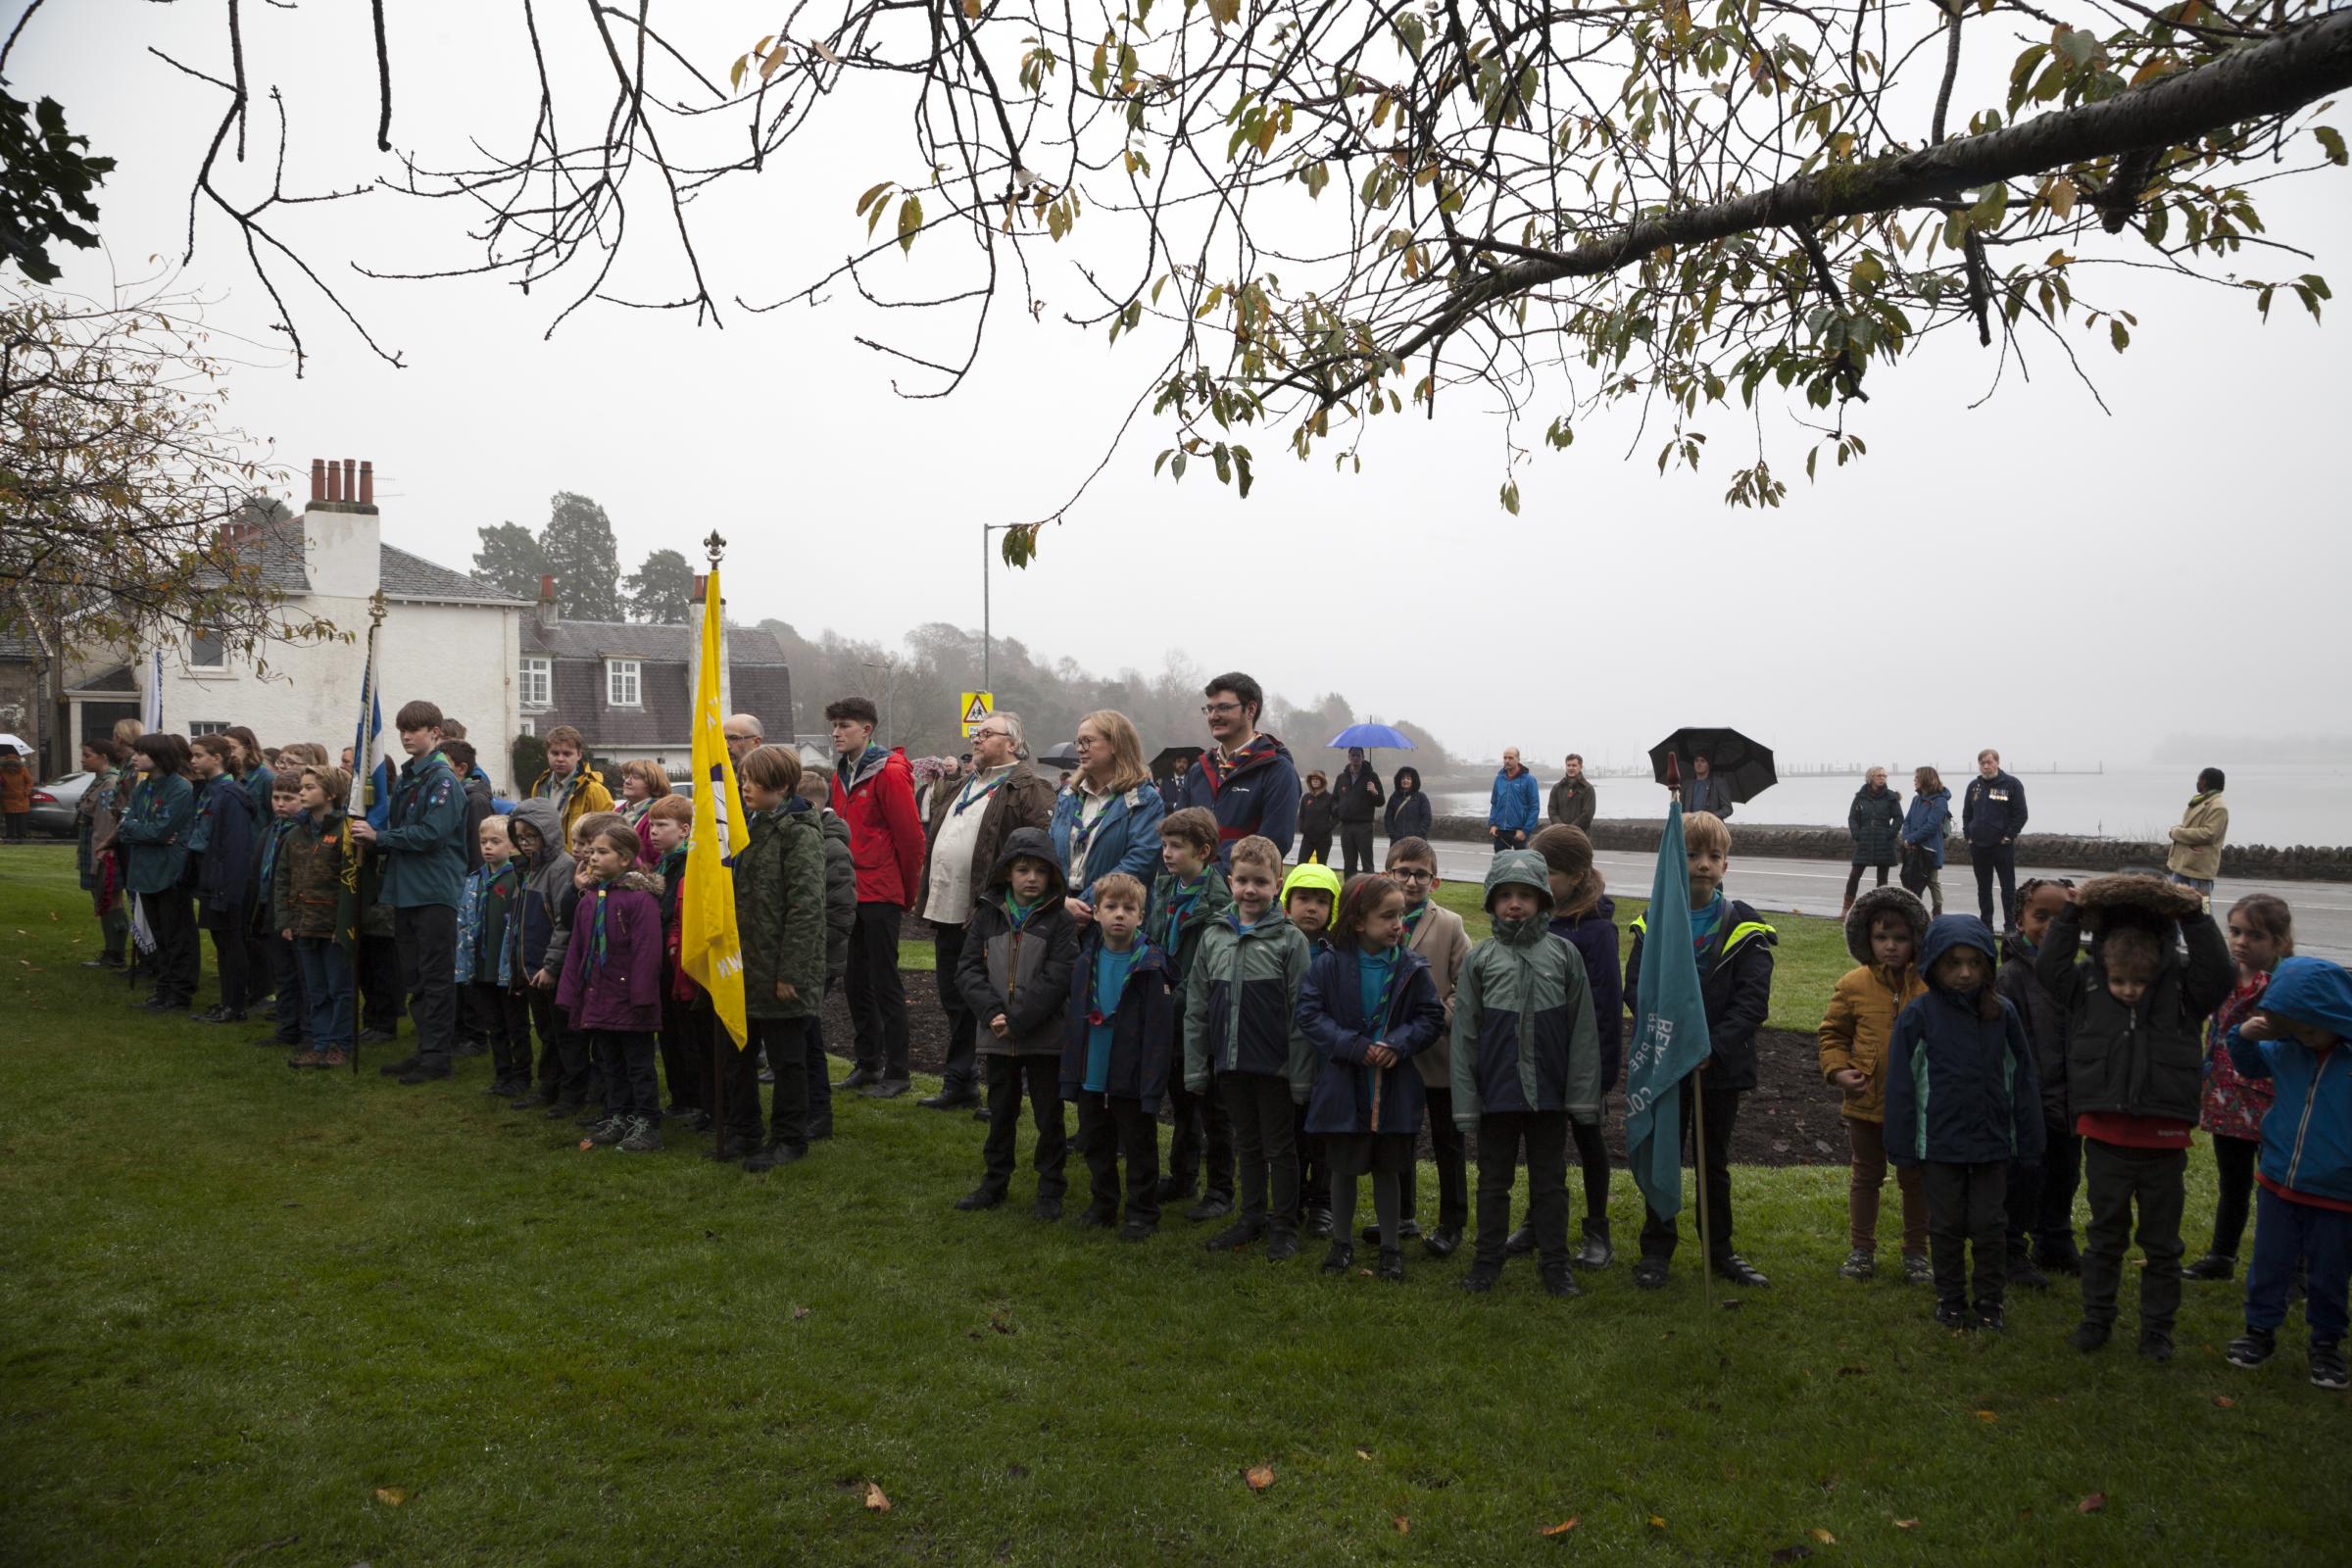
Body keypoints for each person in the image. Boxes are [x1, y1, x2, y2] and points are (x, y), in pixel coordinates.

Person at [2038, 875, 2232, 1359]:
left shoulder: (2184, 994)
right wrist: (2072, 915)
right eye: (2121, 981)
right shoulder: (2086, 986)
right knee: (2104, 1238)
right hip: (2105, 1138)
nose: (2129, 991)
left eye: (2140, 983)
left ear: (2161, 966)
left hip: (2163, 1141)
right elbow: (2049, 967)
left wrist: (2193, 915)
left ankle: (2157, 1331)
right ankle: (2096, 1320)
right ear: (2103, 964)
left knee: (2162, 1244)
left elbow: (2220, 973)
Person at [1626, 810, 1777, 1290]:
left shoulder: (1745, 925)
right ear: (1673, 860)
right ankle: (1656, 1250)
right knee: (1663, 1152)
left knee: (1713, 1162)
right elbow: (1637, 989)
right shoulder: (1653, 921)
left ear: (1726, 866)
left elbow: (1752, 1001)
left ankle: (1720, 1250)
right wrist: (1676, 1040)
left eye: (1714, 856)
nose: (1703, 864)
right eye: (1691, 854)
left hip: (1719, 1067)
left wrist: (1711, 1046)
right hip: (1667, 1062)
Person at [1884, 915, 2045, 1332]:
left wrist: (2029, 1139)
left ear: (1987, 965)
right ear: (1934, 965)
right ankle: (1951, 1298)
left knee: (1990, 1224)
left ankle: (1991, 1300)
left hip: (1993, 1143)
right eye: (1953, 963)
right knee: (1947, 1225)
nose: (1965, 973)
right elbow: (1902, 1085)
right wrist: (1901, 1147)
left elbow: (2021, 1078)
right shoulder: (1918, 1016)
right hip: (1940, 1143)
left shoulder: (2001, 1013)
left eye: (1974, 963)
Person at [1451, 851, 1602, 1298]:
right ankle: (1487, 1260)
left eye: (1525, 895)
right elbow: (1464, 1037)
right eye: (1505, 895)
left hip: (1549, 1094)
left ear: (1542, 900)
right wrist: (1466, 1102)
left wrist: (1581, 1096)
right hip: (1496, 1091)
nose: (1515, 903)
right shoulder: (1479, 961)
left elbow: (1583, 1031)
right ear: (1491, 902)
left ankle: (1555, 1263)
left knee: (1550, 1181)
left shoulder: (1564, 955)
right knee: (1493, 1180)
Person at [1300, 873, 1446, 1282]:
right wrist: (1353, 1046)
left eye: (1400, 915)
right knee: (1344, 1169)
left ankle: (1390, 1247)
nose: (1398, 924)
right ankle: (1340, 1243)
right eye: (1388, 916)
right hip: (1346, 1085)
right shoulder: (1329, 965)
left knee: (1388, 1169)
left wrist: (1398, 1043)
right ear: (1359, 921)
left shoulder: (1412, 967)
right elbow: (1310, 1015)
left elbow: (1430, 1017)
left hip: (1393, 1088)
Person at [2220, 956, 2352, 1391]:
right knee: (2269, 1262)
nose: (2307, 1037)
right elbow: (2250, 1065)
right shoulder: (2288, 1047)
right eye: (2296, 1027)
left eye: (2315, 1027)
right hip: (2278, 1182)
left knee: (2330, 1271)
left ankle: (2327, 1344)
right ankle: (2259, 1331)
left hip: (2338, 1192)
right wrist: (2243, 1035)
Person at [914, 710, 1056, 1109]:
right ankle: (960, 1080)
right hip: (948, 911)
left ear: (1011, 743)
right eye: (976, 734)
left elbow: (1039, 849)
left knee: (995, 1000)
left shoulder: (1029, 787)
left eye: (986, 733)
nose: (976, 739)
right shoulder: (962, 784)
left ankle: (1001, 1094)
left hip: (993, 914)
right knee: (954, 996)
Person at [1183, 833, 1312, 1260]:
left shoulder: (1290, 941)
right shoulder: (1215, 935)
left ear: (1278, 883)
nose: (1250, 890)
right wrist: (1198, 1065)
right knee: (1247, 1144)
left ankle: (1284, 1223)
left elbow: (1301, 1012)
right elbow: (1198, 1004)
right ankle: (1252, 1215)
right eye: (1242, 880)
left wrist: (1299, 1072)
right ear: (1230, 879)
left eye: (1260, 881)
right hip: (1230, 1062)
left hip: (1274, 1066)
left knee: (1280, 1146)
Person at [953, 827, 1080, 1217]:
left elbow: (1059, 977)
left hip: (1043, 1037)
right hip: (997, 1035)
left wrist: (1019, 1019)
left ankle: (1050, 1188)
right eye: (1023, 869)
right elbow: (968, 969)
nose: (1031, 878)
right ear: (1007, 872)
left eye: (1040, 871)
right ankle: (994, 1182)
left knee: (1048, 1115)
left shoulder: (1059, 921)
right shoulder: (987, 915)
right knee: (1001, 1111)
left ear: (1051, 876)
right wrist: (992, 1013)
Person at [1516, 825, 1624, 1270]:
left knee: (1588, 1140)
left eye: (1550, 874)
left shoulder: (1595, 932)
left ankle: (1597, 1228)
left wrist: (1599, 1073)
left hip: (1582, 1061)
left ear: (1578, 875)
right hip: (1540, 1056)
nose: (1541, 884)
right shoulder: (1532, 922)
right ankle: (1537, 1219)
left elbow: (1605, 1008)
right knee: (1542, 1145)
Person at [352, 701, 470, 1087]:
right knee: (415, 976)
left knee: (435, 976)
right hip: (406, 890)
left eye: (415, 730)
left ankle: (438, 1055)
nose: (406, 736)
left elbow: (431, 834)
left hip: (433, 890)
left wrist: (380, 837)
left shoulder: (442, 780)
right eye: (402, 729)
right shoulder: (409, 777)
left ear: (436, 734)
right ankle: (425, 1048)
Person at [2186, 894, 2294, 1283]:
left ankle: (2292, 1265)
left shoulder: (2286, 981)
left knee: (2279, 1187)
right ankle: (2222, 1256)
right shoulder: (2225, 976)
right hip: (2226, 1095)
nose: (2242, 941)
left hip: (2272, 1097)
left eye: (2256, 935)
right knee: (2232, 1183)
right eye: (2235, 931)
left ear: (2279, 942)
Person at [729, 744, 827, 1172]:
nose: (745, 786)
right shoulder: (745, 825)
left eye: (753, 780)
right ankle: (744, 1131)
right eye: (744, 778)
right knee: (739, 1054)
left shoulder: (798, 831)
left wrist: (791, 972)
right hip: (743, 965)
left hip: (780, 969)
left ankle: (789, 1136)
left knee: (788, 1060)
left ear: (781, 785)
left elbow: (806, 906)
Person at [1060, 870, 1173, 1240]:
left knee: (1139, 1146)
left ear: (1142, 916)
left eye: (1129, 908)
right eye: (1111, 907)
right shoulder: (1084, 963)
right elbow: (1074, 1020)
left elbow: (1158, 1032)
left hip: (1132, 1074)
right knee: (1096, 1141)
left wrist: (1153, 1085)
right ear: (1096, 913)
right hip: (1093, 1070)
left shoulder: (1151, 967)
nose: (1120, 914)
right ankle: (1103, 1203)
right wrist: (1070, 1074)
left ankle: (1142, 1212)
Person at [825, 697, 926, 1098]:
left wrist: (906, 892)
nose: (836, 732)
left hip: (881, 892)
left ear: (867, 729)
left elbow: (910, 837)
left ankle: (898, 1072)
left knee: (885, 982)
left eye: (844, 725)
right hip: (850, 892)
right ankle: (867, 1063)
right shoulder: (842, 772)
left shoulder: (889, 771)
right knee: (854, 983)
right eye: (834, 725)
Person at [1377, 839, 1470, 1256]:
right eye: (1403, 872)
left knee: (1448, 1140)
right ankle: (1401, 1214)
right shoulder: (1375, 923)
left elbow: (1464, 987)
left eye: (1420, 874)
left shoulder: (1449, 924)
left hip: (1440, 1051)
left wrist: (1435, 1022)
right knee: (1400, 1136)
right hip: (1393, 1053)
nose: (1411, 881)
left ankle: (1452, 1222)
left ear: (1435, 880)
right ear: (1387, 874)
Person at [559, 821, 668, 1152]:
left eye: (601, 852)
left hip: (630, 999)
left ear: (624, 859)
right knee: (609, 1061)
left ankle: (646, 1121)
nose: (592, 858)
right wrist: (571, 992)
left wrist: (642, 996)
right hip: (598, 995)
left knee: (638, 1063)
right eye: (591, 851)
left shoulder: (639, 901)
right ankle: (617, 1113)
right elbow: (577, 948)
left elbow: (647, 952)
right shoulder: (591, 899)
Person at [1151, 807, 1236, 1222]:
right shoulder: (1165, 887)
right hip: (1166, 1012)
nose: (1167, 853)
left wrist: (1174, 999)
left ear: (1204, 851)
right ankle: (1182, 1175)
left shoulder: (1218, 901)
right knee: (1180, 1101)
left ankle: (1221, 1188)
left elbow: (1211, 967)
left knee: (1212, 1106)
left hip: (1200, 1017)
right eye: (1165, 844)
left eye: (1177, 847)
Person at [1997, 878, 2081, 1279]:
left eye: (2063, 918)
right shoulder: (2011, 976)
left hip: (2072, 1095)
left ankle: (2055, 1241)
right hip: (2028, 1095)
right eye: (2041, 916)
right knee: (2024, 1176)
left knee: (2066, 1171)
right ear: (2019, 920)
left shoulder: (2078, 975)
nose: (2050, 926)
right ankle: (2011, 1247)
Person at [1052, 710, 1169, 925]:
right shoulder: (1068, 796)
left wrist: (1089, 905)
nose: (1079, 748)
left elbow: (1139, 863)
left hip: (1116, 921)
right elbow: (1049, 853)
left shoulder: (1144, 799)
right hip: (1063, 915)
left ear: (1115, 744)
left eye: (1087, 741)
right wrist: (1060, 902)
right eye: (1077, 741)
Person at [503, 800, 581, 1116]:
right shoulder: (528, 869)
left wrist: (551, 966)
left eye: (531, 836)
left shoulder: (562, 868)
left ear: (548, 833)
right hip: (533, 970)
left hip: (553, 970)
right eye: (519, 837)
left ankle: (572, 1092)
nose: (524, 843)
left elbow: (563, 923)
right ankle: (549, 1085)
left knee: (566, 1035)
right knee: (547, 1033)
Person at [275, 764, 355, 1067]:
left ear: (331, 794)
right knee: (316, 988)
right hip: (303, 923)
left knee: (339, 988)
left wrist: (344, 923)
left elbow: (352, 881)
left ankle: (340, 1043)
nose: (302, 793)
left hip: (332, 924)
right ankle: (320, 1042)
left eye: (309, 787)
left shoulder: (345, 830)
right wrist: (285, 920)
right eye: (302, 787)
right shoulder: (296, 833)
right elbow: (283, 877)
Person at [791, 767, 856, 1141]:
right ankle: (809, 1109)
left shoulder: (831, 848)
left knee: (807, 1037)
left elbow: (840, 911)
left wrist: (812, 954)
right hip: (805, 955)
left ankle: (818, 1111)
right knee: (801, 1035)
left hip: (816, 959)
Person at [1178, 671, 1300, 863]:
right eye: (1209, 709)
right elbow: (1177, 834)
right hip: (1192, 889)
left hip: (1244, 890)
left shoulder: (1278, 771)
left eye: (1223, 708)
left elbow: (1273, 844)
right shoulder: (1198, 771)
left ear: (1251, 709)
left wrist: (1210, 879)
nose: (1213, 716)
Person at [1281, 858, 1342, 1241]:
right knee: (1288, 1133)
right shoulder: (1277, 944)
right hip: (1284, 1058)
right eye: (1303, 898)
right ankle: (1292, 1197)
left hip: (1324, 1063)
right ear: (1287, 903)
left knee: (1321, 1137)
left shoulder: (1336, 955)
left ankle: (1322, 1202)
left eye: (1321, 901)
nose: (1312, 908)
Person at [118, 734, 198, 1011]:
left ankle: (179, 992)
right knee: (160, 936)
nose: (134, 757)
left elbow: (159, 831)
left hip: (169, 873)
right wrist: (141, 830)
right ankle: (163, 989)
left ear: (159, 756)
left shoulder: (180, 789)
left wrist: (144, 830)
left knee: (177, 936)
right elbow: (125, 824)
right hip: (144, 871)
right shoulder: (142, 788)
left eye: (141, 753)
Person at [643, 794, 708, 1127]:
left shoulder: (688, 865)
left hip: (678, 960)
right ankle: (679, 1094)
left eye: (661, 825)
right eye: (651, 825)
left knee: (686, 1033)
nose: (653, 832)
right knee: (667, 1031)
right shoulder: (662, 864)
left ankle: (695, 1097)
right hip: (660, 963)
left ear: (684, 829)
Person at [456, 814, 529, 1097]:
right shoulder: (474, 880)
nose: (487, 847)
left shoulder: (517, 879)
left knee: (516, 1024)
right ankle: (502, 1074)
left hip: (507, 968)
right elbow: (463, 921)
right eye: (483, 841)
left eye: (495, 842)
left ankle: (521, 1075)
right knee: (494, 1025)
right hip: (481, 965)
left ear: (512, 847)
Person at [187, 733, 258, 1024]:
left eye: (198, 755)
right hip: (211, 875)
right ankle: (226, 1000)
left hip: (226, 881)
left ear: (216, 758)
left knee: (231, 942)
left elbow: (235, 845)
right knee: (221, 942)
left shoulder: (230, 795)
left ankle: (235, 1005)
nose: (192, 761)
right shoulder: (208, 790)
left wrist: (227, 889)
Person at [251, 770, 310, 1054]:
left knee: (303, 976)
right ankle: (287, 1029)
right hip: (271, 908)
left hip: (295, 912)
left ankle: (309, 1031)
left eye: (289, 798)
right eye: (276, 797)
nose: (281, 804)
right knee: (283, 974)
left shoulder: (301, 832)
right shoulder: (272, 829)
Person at [75, 738, 133, 968]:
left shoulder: (109, 784)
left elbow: (105, 822)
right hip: (95, 845)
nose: (83, 759)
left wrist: (103, 851)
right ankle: (111, 950)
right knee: (102, 898)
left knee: (110, 899)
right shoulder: (99, 781)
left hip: (103, 849)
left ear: (103, 757)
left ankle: (115, 953)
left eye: (88, 755)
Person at [1962, 748, 2028, 931]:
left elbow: (2021, 814)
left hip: (2002, 846)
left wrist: (2009, 835)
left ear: (1997, 762)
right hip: (1978, 846)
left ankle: (2010, 924)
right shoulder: (1974, 786)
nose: (1986, 766)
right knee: (1983, 888)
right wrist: (1968, 834)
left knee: (2008, 888)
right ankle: (1986, 924)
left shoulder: (2011, 784)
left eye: (1989, 762)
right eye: (1982, 763)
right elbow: (1967, 813)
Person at [1843, 767, 1904, 917]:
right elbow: (1852, 818)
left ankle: (1880, 909)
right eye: (1879, 775)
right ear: (1870, 777)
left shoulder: (1891, 797)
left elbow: (1899, 817)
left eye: (1884, 775)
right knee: (1854, 875)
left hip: (1884, 841)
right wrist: (1857, 834)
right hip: (1864, 840)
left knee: (1882, 878)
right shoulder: (1860, 797)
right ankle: (1846, 909)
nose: (1882, 778)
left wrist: (1890, 833)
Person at [2166, 767, 2230, 896]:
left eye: (2199, 779)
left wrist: (2177, 833)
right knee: (2175, 901)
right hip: (2184, 865)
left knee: (2204, 906)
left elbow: (2209, 834)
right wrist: (2177, 829)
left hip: (2199, 868)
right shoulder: (2201, 801)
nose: (2197, 783)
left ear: (2205, 781)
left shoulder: (2218, 807)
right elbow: (2189, 826)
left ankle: (2207, 917)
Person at [1900, 765, 1952, 917]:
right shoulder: (1916, 799)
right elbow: (1907, 820)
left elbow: (1931, 825)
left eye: (1917, 778)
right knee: (1911, 879)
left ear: (1926, 779)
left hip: (1930, 847)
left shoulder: (1940, 801)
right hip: (1913, 846)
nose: (1914, 781)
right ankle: (1914, 909)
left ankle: (1937, 909)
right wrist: (1907, 837)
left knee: (1932, 880)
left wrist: (1912, 838)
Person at [1331, 747, 1384, 876]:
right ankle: (1350, 893)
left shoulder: (1371, 777)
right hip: (1346, 827)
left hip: (1364, 827)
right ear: (1349, 757)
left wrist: (1373, 791)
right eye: (1353, 755)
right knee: (1349, 864)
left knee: (1367, 864)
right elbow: (1334, 800)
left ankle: (1369, 893)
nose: (1355, 758)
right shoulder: (1341, 778)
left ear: (1363, 757)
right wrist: (1338, 810)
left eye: (1358, 755)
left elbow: (1381, 801)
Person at [1487, 747, 1540, 854]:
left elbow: (1534, 807)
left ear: (1518, 759)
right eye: (1505, 758)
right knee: (1501, 866)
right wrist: (1492, 824)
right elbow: (1494, 803)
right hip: (1500, 831)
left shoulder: (1529, 780)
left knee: (1521, 866)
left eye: (1510, 758)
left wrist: (1525, 831)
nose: (1507, 761)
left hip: (1519, 832)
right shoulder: (1499, 779)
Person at [616, 759, 670, 861]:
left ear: (653, 783)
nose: (627, 781)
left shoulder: (660, 814)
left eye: (635, 777)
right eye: (626, 777)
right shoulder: (618, 811)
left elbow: (657, 859)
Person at [1296, 770, 1336, 869]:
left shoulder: (1330, 798)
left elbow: (1337, 817)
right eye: (1313, 779)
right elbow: (1301, 815)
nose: (1315, 781)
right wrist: (1302, 828)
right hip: (1308, 838)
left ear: (1323, 781)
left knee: (1321, 867)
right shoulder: (1306, 797)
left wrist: (1326, 828)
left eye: (1317, 779)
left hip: (1323, 839)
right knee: (1301, 865)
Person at [1384, 765, 1431, 845]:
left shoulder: (1421, 797)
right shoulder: (1394, 797)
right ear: (1399, 780)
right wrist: (1392, 834)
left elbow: (1427, 817)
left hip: (1416, 842)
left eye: (1408, 778)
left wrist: (1418, 834)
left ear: (1413, 781)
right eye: (1403, 778)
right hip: (1397, 842)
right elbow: (1388, 817)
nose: (1405, 780)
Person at [1547, 754, 1596, 831]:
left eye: (1574, 765)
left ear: (1580, 767)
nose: (1571, 768)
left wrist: (1570, 829)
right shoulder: (1557, 788)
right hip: (1559, 834)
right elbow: (1552, 811)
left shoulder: (1588, 789)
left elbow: (1587, 814)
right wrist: (1561, 828)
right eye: (1568, 765)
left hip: (1580, 835)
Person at [1682, 752, 1735, 819]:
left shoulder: (1719, 783)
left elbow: (1727, 809)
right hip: (1689, 826)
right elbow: (1680, 808)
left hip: (1710, 827)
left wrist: (1709, 817)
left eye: (1703, 761)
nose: (1699, 764)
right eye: (1696, 761)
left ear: (1709, 764)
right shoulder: (1687, 784)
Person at [0, 744, 30, 842]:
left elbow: (29, 781)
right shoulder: (2, 771)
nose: (11, 768)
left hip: (20, 798)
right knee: (10, 819)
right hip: (9, 798)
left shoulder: (23, 770)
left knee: (21, 819)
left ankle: (21, 835)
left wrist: (26, 791)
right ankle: (11, 835)